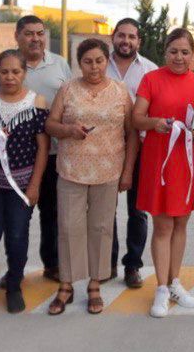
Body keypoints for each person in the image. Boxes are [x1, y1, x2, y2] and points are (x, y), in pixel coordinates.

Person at [44, 39, 133, 316]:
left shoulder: (120, 92)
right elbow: (50, 124)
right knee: (69, 228)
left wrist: (127, 171)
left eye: (99, 61)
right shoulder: (68, 88)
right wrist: (69, 130)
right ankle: (67, 285)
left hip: (108, 172)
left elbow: (131, 134)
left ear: (107, 61)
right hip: (72, 170)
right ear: (78, 63)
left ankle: (95, 284)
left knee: (101, 228)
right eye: (87, 61)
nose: (94, 67)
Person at [134, 29, 194, 318]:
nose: (179, 57)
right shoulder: (151, 79)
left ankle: (175, 282)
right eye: (173, 51)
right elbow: (136, 118)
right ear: (164, 52)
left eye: (184, 52)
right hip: (160, 161)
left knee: (181, 223)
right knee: (163, 226)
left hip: (189, 160)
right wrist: (155, 123)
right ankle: (161, 287)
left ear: (192, 54)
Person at [0, 15, 71, 282]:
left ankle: (52, 264)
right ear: (17, 36)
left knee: (52, 213)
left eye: (40, 33)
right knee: (16, 219)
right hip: (17, 156)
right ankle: (15, 271)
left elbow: (70, 100)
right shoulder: (6, 65)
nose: (35, 38)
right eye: (29, 33)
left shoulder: (59, 64)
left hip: (54, 153)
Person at [0, 50, 50, 316]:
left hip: (22, 185)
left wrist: (35, 185)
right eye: (4, 71)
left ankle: (14, 286)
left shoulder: (37, 102)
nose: (10, 77)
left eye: (15, 72)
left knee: (17, 235)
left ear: (24, 73)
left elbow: (42, 148)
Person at [105, 18, 157, 288]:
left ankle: (133, 265)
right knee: (106, 210)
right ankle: (107, 264)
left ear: (139, 41)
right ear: (113, 37)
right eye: (121, 35)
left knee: (138, 211)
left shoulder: (150, 71)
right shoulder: (100, 66)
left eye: (132, 37)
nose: (126, 41)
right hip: (104, 150)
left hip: (142, 149)